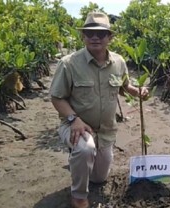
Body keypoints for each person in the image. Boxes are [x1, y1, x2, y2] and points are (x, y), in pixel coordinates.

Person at [49, 12, 148, 208]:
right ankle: (78, 196)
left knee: (99, 179)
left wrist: (139, 91)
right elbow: (56, 97)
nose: (95, 37)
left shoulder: (119, 62)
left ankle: (79, 162)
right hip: (75, 125)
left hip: (106, 131)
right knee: (85, 148)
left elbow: (123, 87)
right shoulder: (69, 64)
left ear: (110, 38)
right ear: (83, 36)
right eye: (90, 32)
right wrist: (73, 119)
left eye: (101, 34)